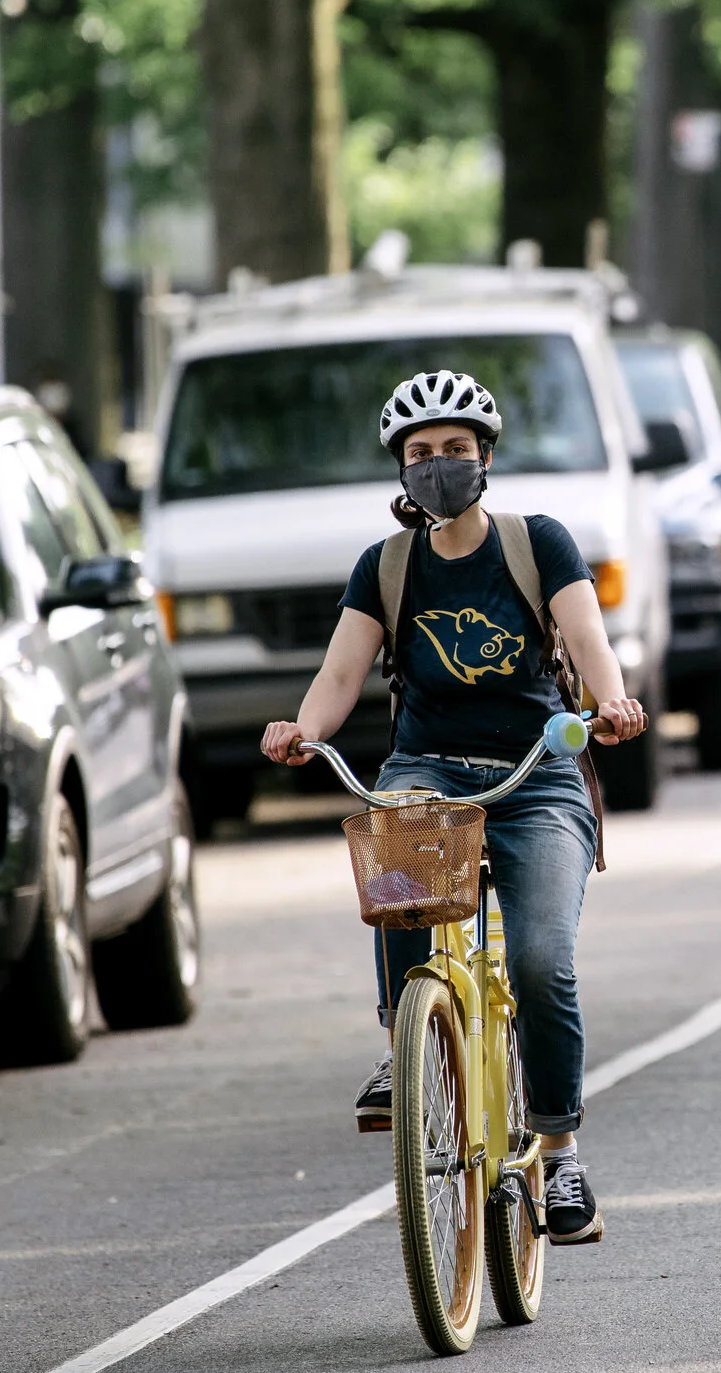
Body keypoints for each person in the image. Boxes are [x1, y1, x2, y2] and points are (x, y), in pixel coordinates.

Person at [260, 370, 649, 1245]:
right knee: (391, 831)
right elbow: (340, 675)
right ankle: (407, 1041)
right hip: (429, 772)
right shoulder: (387, 566)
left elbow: (589, 643)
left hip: (538, 773)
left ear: (484, 461)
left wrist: (610, 701)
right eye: (421, 455)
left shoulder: (535, 544)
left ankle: (560, 1147)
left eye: (455, 452)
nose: (439, 467)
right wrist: (302, 728)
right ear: (402, 471)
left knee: (544, 959)